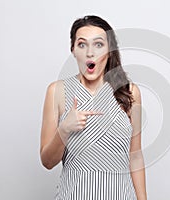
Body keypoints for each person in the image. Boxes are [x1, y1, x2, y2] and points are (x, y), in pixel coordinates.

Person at [40, 15, 147, 200]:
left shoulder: (130, 92)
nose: (90, 53)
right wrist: (64, 129)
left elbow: (135, 156)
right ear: (73, 49)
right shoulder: (57, 91)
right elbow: (47, 162)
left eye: (98, 44)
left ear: (110, 50)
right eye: (82, 44)